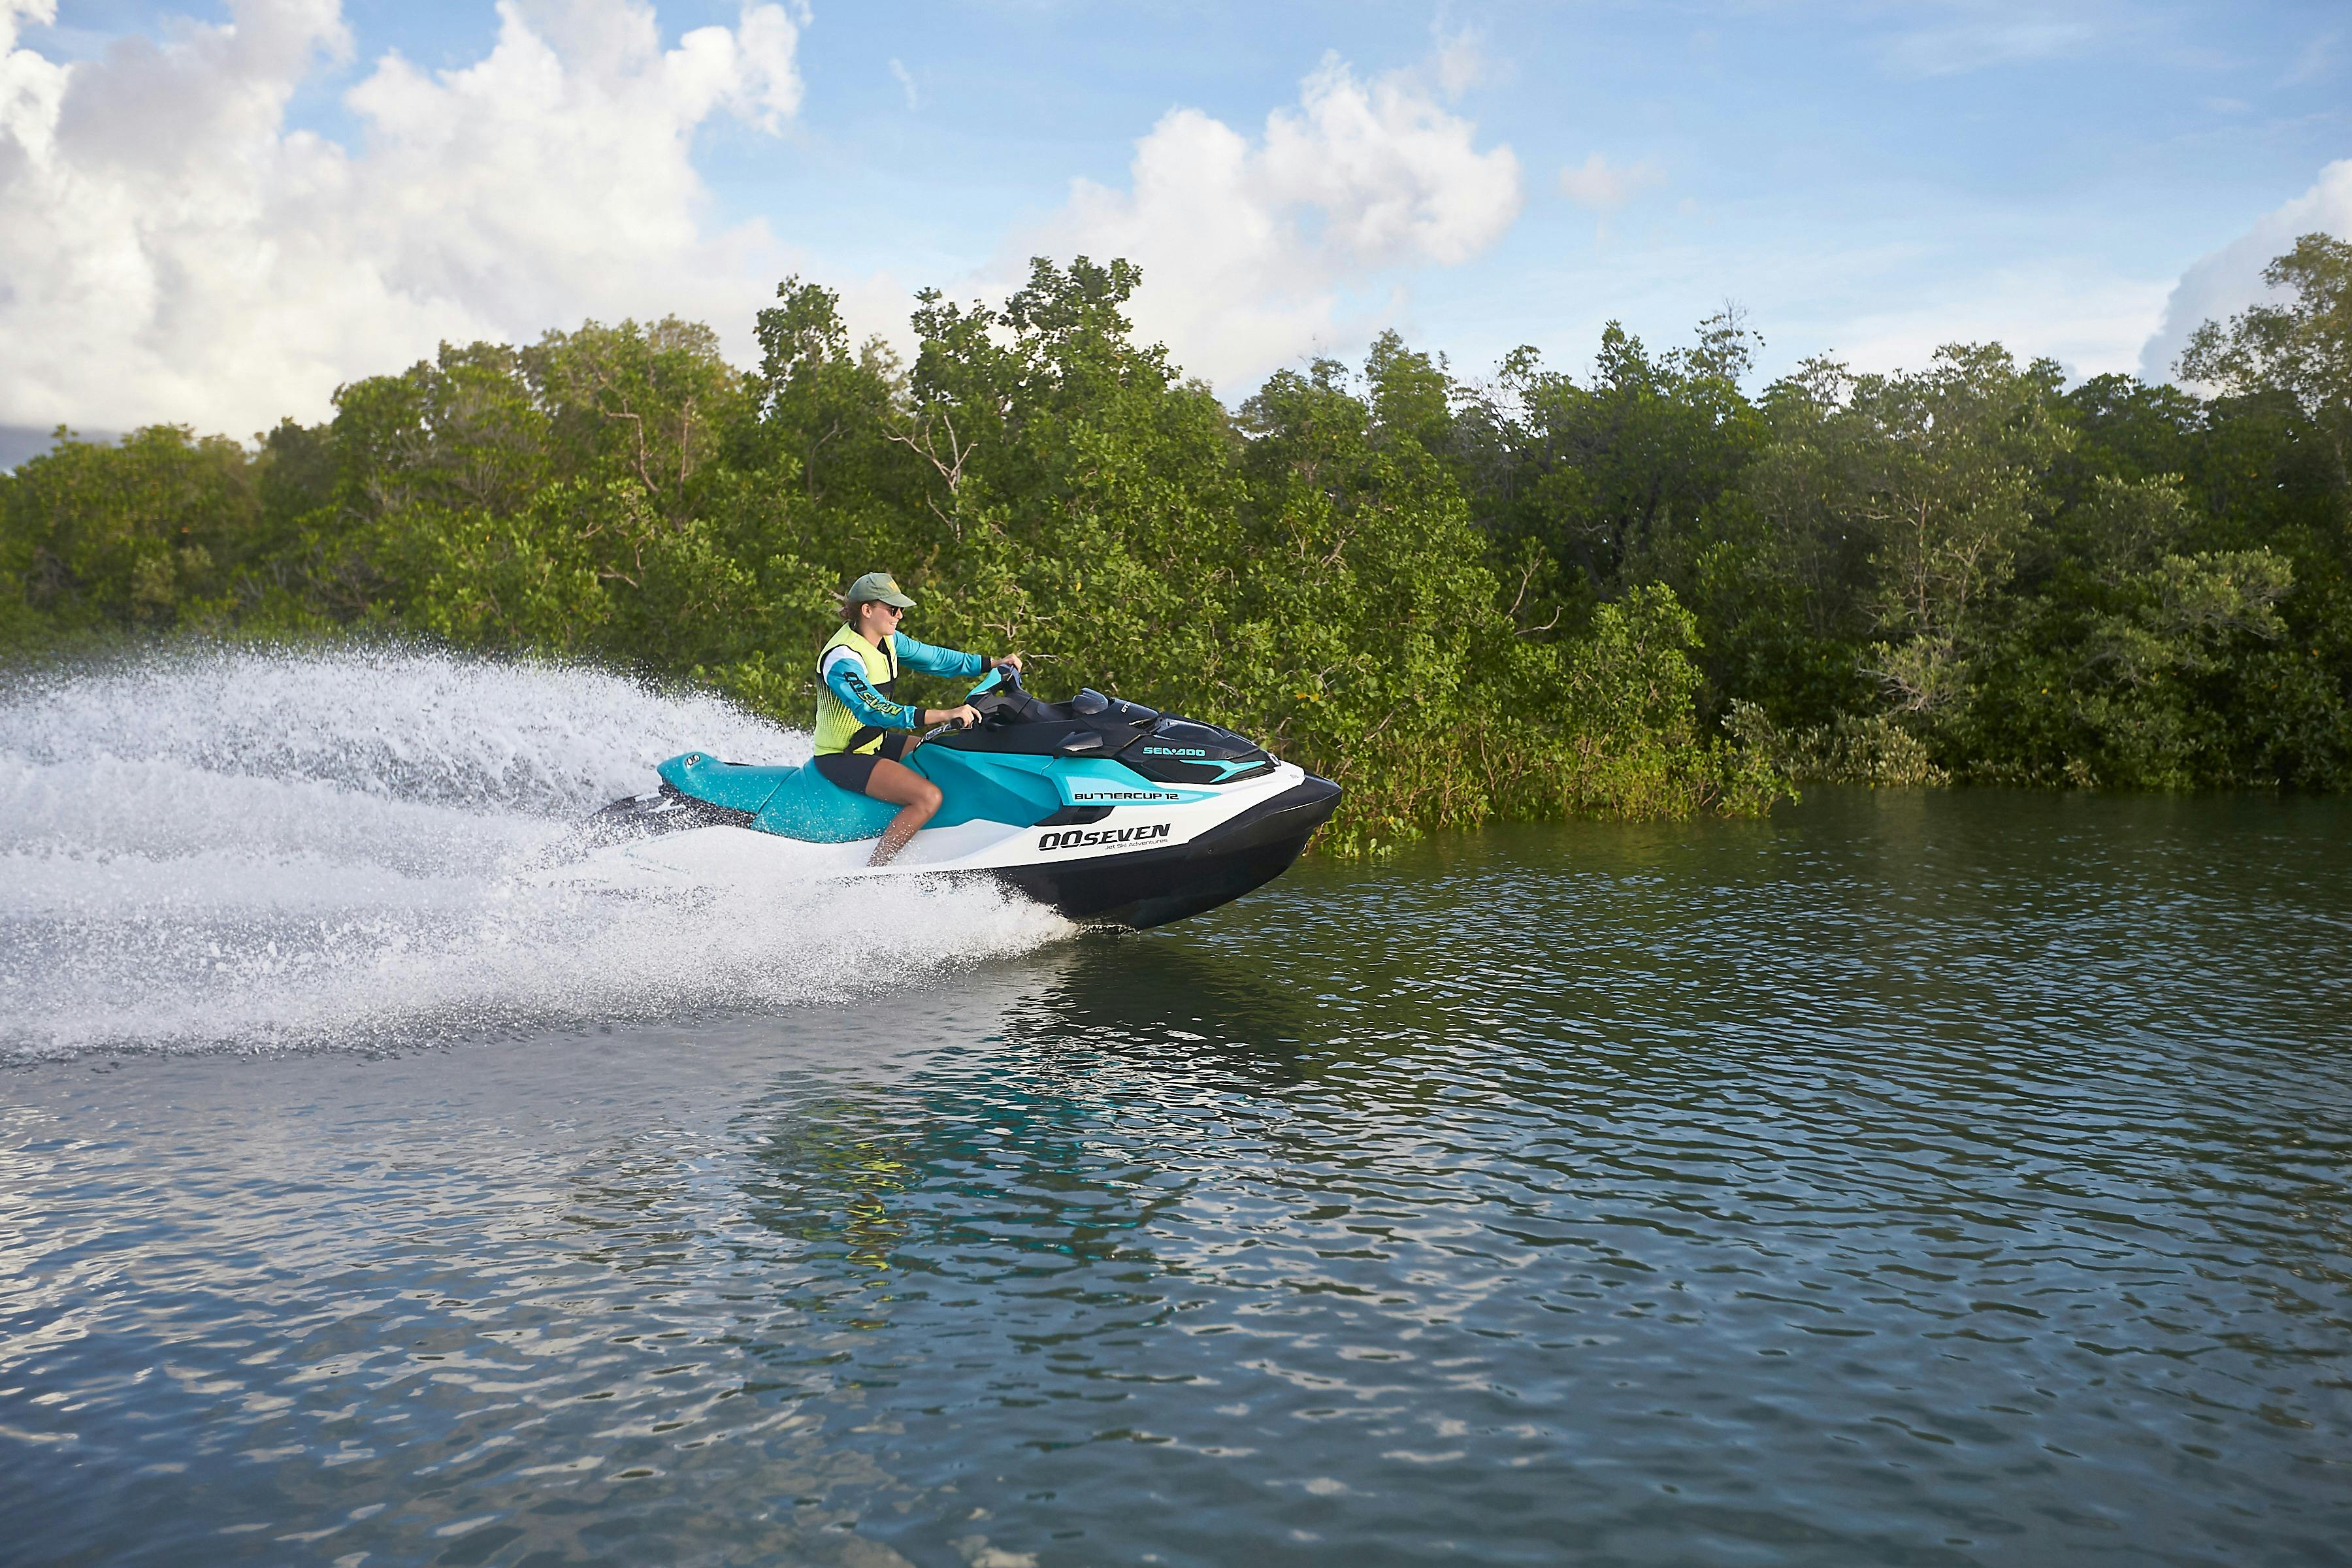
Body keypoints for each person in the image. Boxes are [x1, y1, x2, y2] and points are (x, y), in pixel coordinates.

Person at [813, 572, 1022, 866]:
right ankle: (872, 874)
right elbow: (872, 710)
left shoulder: (889, 640)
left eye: (901, 609)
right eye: (893, 608)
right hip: (842, 756)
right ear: (867, 610)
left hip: (875, 741)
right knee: (928, 797)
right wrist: (943, 715)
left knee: (944, 758)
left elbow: (935, 658)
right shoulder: (843, 658)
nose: (899, 615)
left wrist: (992, 664)